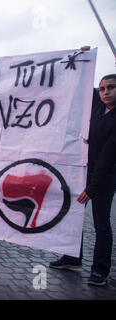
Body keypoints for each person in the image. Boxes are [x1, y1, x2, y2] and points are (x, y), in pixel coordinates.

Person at [49, 74, 116, 286]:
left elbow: (108, 155)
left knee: (101, 223)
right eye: (103, 88)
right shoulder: (98, 108)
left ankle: (100, 270)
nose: (106, 92)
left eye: (111, 88)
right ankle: (72, 256)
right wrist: (83, 60)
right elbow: (85, 86)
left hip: (105, 178)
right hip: (86, 172)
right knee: (73, 216)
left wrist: (93, 187)